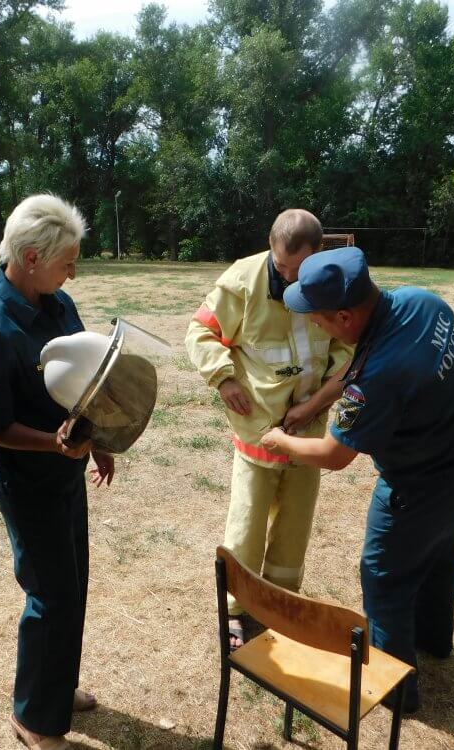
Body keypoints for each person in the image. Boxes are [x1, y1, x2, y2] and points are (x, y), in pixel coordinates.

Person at [260, 246, 454, 712]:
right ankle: (432, 640)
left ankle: (395, 690)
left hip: (417, 484)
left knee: (384, 576)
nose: (316, 326)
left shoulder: (379, 377)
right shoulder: (422, 302)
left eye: (319, 319)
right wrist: (312, 407)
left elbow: (334, 454)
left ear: (344, 316)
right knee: (440, 548)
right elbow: (362, 367)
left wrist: (280, 441)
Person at [0, 195, 113, 750]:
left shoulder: (59, 302)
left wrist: (99, 441)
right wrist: (54, 444)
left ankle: (57, 684)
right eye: (66, 260)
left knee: (74, 585)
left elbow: (87, 381)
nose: (73, 270)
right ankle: (33, 719)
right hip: (27, 481)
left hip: (64, 472)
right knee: (50, 595)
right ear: (28, 256)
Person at [185, 209, 353, 649]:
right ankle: (236, 609)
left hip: (308, 430)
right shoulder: (242, 280)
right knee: (247, 523)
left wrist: (314, 405)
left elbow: (347, 352)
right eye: (280, 267)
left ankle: (281, 605)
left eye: (298, 270)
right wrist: (223, 379)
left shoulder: (330, 284)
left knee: (295, 524)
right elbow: (199, 333)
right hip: (257, 429)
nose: (288, 277)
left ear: (319, 253)